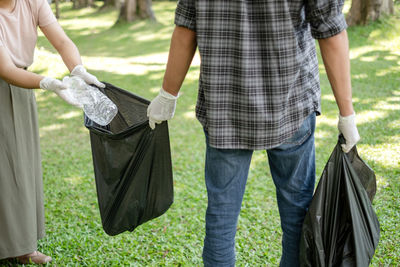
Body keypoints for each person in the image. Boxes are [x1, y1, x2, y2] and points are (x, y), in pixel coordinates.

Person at [147, 0, 360, 266]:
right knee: (297, 213)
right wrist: (347, 114)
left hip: (225, 107)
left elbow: (186, 26)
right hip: (291, 104)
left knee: (221, 216)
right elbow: (330, 29)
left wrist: (168, 94)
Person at [0, 0, 104, 264]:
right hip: (9, 82)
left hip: (22, 90)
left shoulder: (33, 2)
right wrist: (47, 83)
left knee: (21, 168)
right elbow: (6, 70)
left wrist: (77, 69)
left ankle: (22, 246)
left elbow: (62, 41)